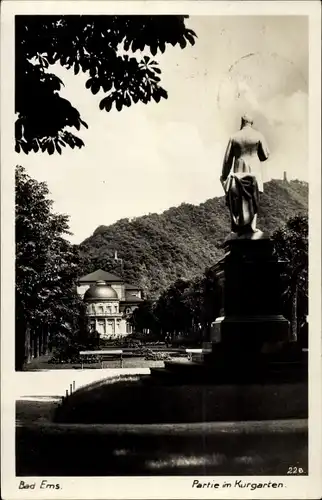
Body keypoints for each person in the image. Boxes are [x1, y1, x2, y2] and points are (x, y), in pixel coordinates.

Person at [221, 114, 270, 236]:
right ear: (251, 123)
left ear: (242, 122)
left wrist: (224, 175)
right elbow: (265, 155)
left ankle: (238, 228)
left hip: (239, 171)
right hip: (254, 171)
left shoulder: (234, 137)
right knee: (253, 199)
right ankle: (252, 227)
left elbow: (227, 160)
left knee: (238, 200)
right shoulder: (258, 135)